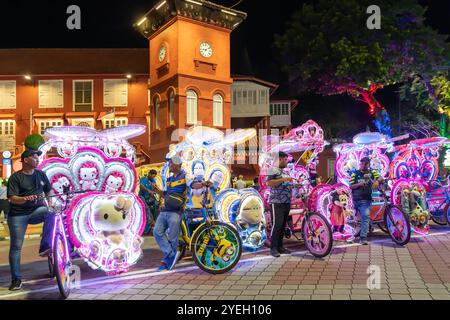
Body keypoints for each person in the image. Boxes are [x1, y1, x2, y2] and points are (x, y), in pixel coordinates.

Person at [7, 149, 54, 290]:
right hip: (18, 215)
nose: (37, 159)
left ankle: (46, 245)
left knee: (52, 212)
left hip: (36, 211)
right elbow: (12, 199)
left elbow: (48, 190)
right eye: (34, 157)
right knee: (16, 247)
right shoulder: (15, 178)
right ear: (26, 159)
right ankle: (16, 279)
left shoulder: (41, 174)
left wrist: (50, 204)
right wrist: (24, 199)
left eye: (37, 157)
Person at [151, 155, 206, 271]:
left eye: (170, 164)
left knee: (173, 237)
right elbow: (166, 194)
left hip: (176, 212)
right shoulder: (169, 179)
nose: (169, 166)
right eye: (169, 164)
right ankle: (171, 253)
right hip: (165, 210)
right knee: (157, 232)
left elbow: (193, 185)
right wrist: (156, 190)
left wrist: (202, 184)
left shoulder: (185, 176)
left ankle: (167, 261)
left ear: (177, 165)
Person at [349, 157, 383, 245]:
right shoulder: (355, 174)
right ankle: (349, 235)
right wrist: (359, 184)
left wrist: (377, 181)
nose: (362, 165)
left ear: (368, 164)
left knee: (365, 217)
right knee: (351, 218)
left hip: (365, 200)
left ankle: (363, 237)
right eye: (361, 163)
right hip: (355, 200)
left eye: (364, 164)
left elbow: (380, 177)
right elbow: (351, 186)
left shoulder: (372, 172)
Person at [266, 151, 292, 257]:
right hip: (276, 202)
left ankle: (280, 246)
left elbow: (285, 183)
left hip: (286, 201)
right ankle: (274, 248)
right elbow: (269, 183)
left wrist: (294, 185)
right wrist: (284, 179)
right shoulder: (272, 169)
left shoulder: (284, 171)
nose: (286, 161)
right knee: (277, 225)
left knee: (282, 225)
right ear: (280, 159)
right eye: (285, 159)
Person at [139, 170, 159, 234]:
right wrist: (148, 191)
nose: (153, 178)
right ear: (149, 174)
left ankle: (156, 223)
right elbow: (141, 187)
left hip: (149, 198)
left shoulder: (153, 180)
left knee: (157, 204)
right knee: (146, 208)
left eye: (154, 177)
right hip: (142, 197)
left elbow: (155, 188)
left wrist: (154, 189)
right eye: (152, 176)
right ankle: (151, 222)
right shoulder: (143, 179)